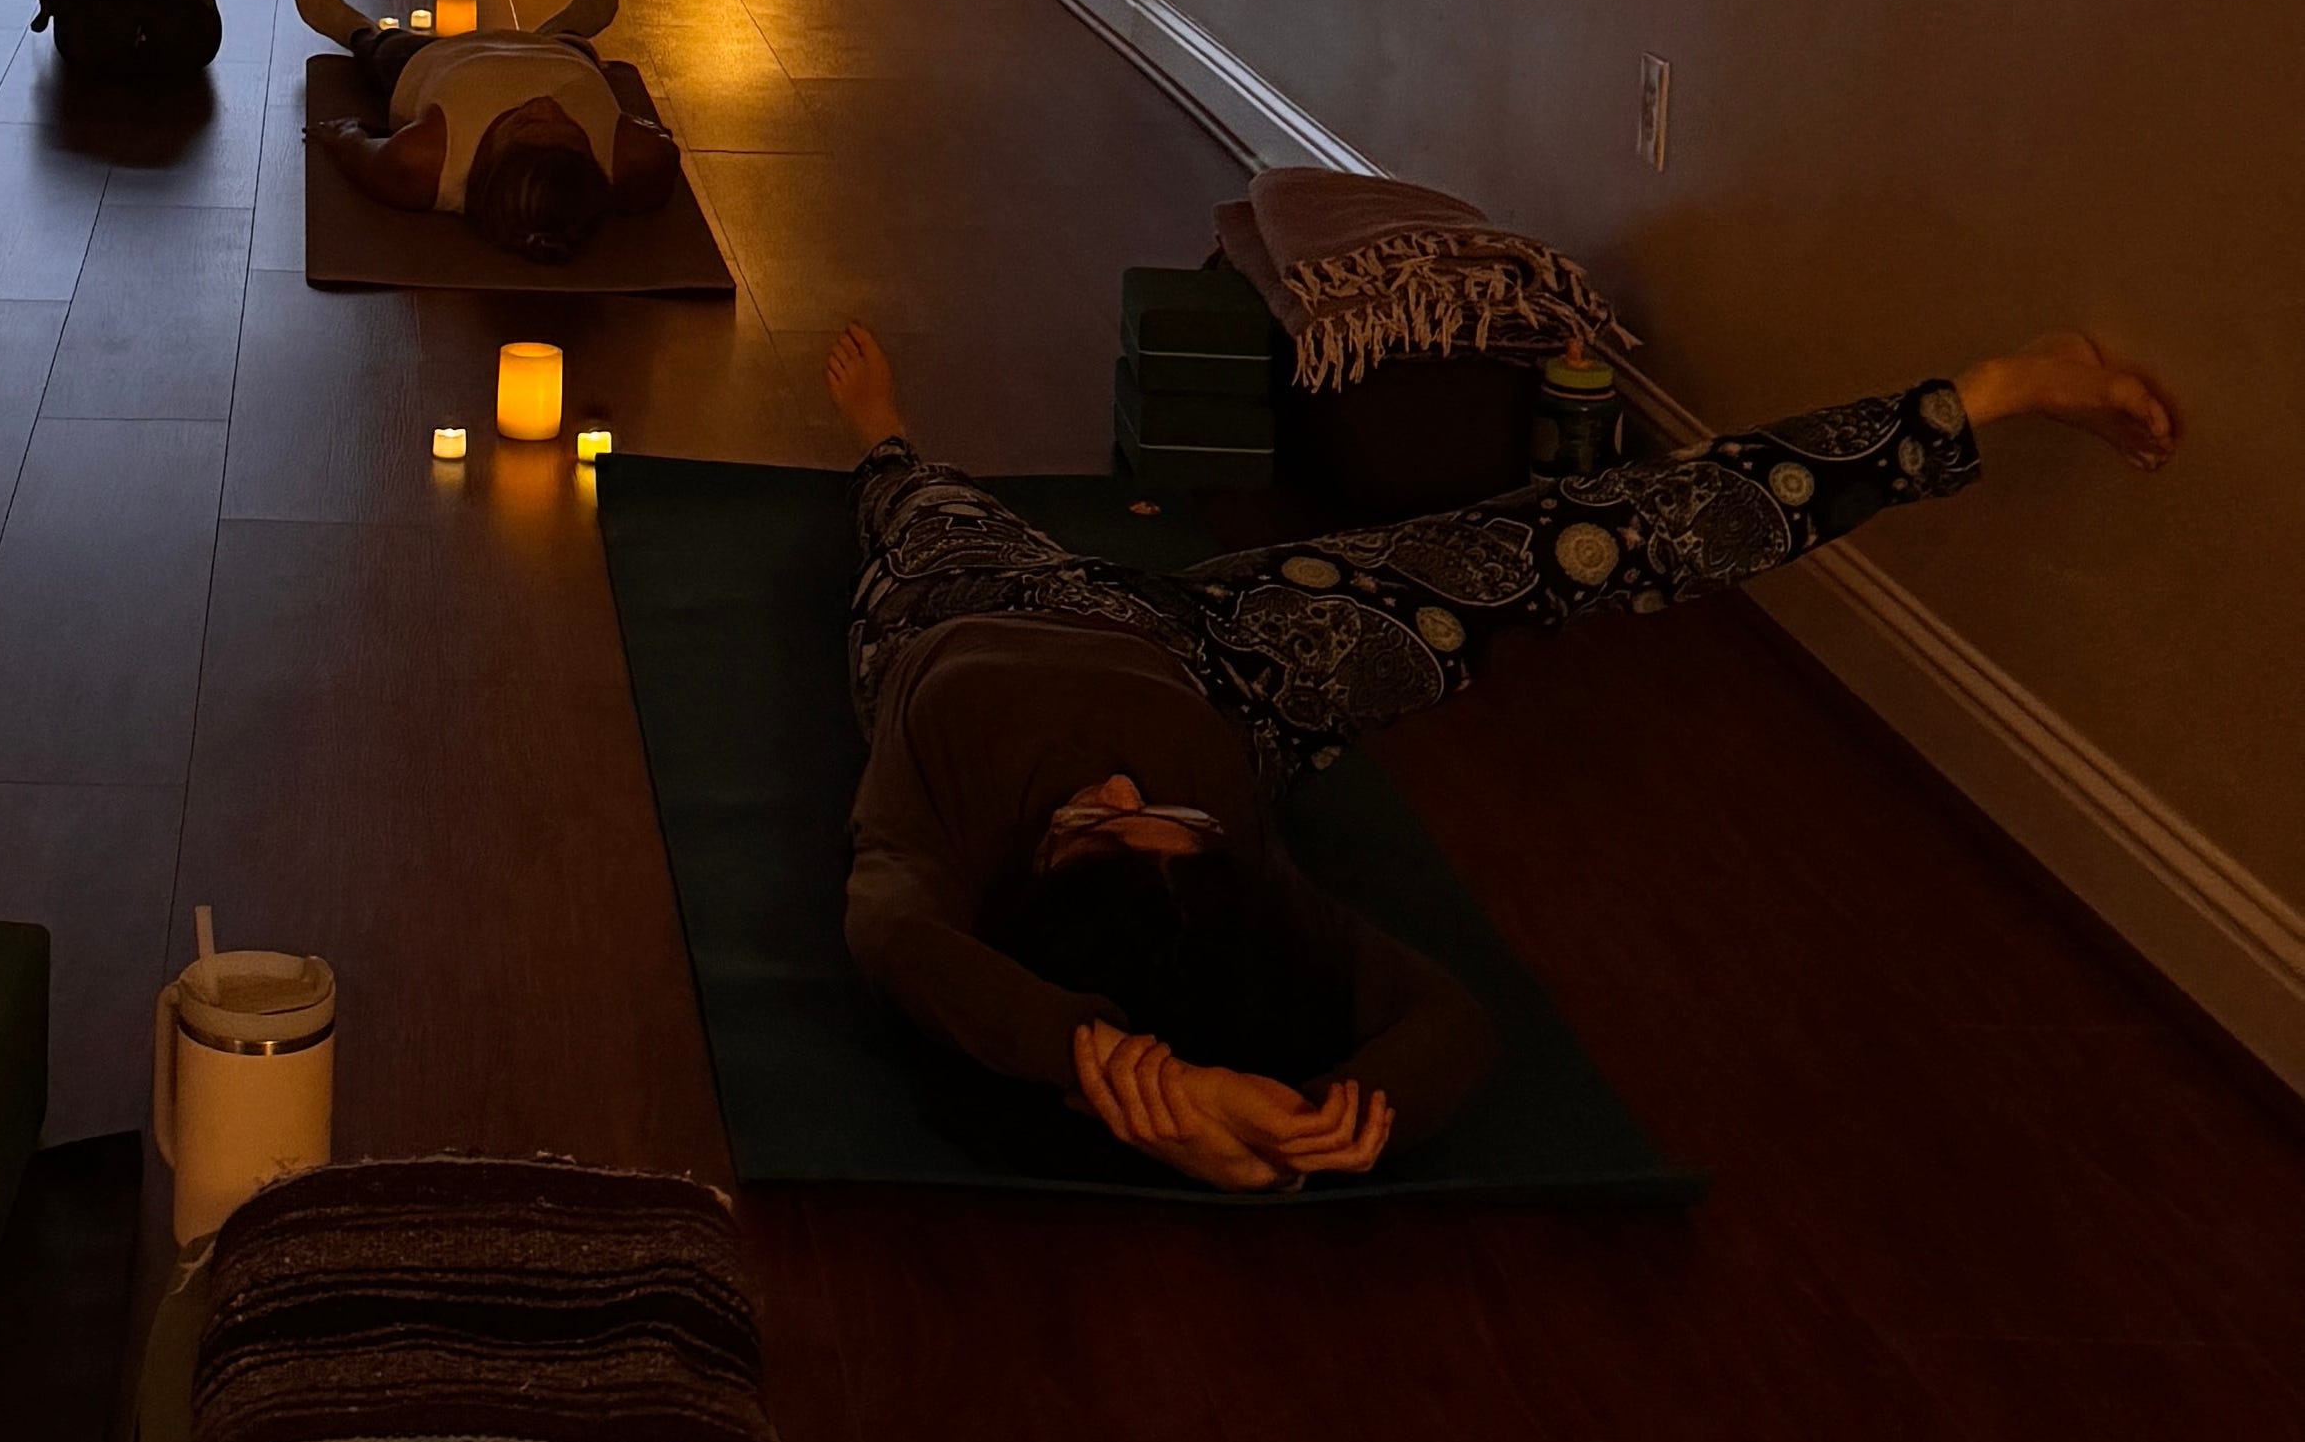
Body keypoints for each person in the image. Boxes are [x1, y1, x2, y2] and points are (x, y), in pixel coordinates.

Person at [826, 312, 2184, 1193]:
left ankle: (883, 432)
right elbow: (1447, 1022)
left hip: (981, 604)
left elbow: (895, 942)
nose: (1125, 787)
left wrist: (1103, 1062)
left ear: (1032, 882)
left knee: (917, 501)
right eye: (1161, 818)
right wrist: (1326, 1112)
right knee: (1563, 553)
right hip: (1234, 680)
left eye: (1093, 821)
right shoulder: (1233, 872)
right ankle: (1992, 396)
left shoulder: (927, 826)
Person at [297, 0, 685, 267]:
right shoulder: (632, 161)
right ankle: (564, 29)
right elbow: (664, 151)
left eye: (525, 124)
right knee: (569, 45)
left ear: (490, 163)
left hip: (438, 59)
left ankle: (355, 28)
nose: (544, 105)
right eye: (570, 125)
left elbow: (358, 150)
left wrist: (342, 134)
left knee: (383, 50)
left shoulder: (425, 161)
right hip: (558, 54)